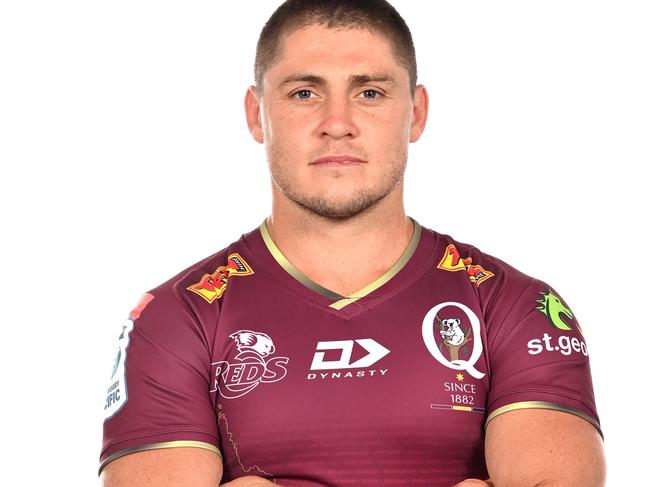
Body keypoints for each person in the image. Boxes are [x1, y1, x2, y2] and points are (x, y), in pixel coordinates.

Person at [99, 1, 605, 485]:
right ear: (256, 114)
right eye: (304, 93)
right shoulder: (176, 317)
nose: (337, 125)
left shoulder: (515, 305)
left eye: (370, 93)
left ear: (416, 112)